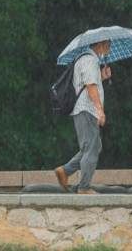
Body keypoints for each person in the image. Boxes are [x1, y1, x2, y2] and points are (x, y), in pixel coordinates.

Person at [54, 39, 112, 194]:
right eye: (108, 45)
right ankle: (84, 187)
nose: (110, 48)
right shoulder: (89, 60)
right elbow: (90, 87)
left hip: (85, 111)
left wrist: (102, 76)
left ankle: (65, 171)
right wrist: (100, 110)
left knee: (93, 146)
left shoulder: (89, 60)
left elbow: (89, 82)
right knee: (91, 149)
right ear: (100, 45)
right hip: (86, 110)